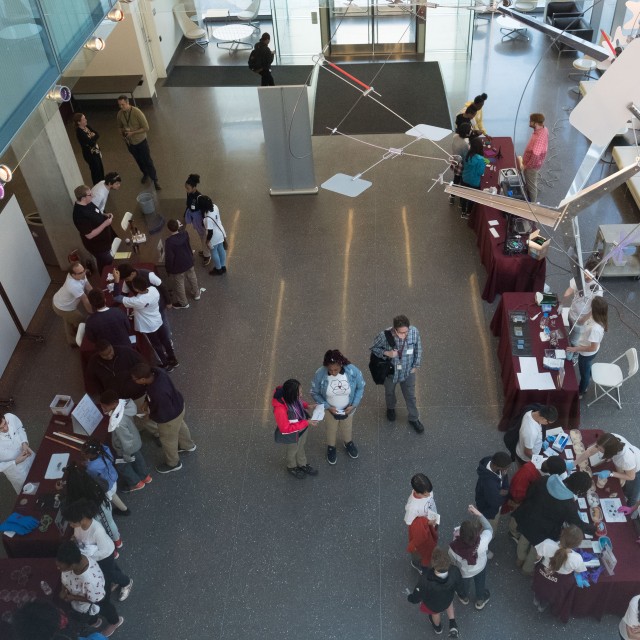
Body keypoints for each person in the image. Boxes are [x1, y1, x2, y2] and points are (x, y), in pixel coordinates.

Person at [512, 471, 595, 575]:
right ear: (578, 490)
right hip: (543, 533)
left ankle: (519, 560)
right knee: (535, 551)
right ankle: (527, 569)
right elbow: (578, 524)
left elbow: (529, 493)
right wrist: (594, 529)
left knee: (523, 541)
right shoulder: (569, 505)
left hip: (527, 519)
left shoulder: (546, 480)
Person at [130, 362, 196, 474]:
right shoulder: (157, 372)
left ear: (142, 380)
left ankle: (173, 463)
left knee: (168, 440)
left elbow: (162, 414)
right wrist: (147, 401)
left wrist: (149, 416)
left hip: (169, 417)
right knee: (180, 426)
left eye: (135, 379)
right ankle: (188, 445)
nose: (134, 381)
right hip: (178, 405)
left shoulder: (157, 392)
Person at [62, 499, 133, 602]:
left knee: (109, 573)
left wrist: (87, 556)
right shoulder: (79, 526)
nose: (71, 525)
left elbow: (103, 551)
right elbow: (79, 536)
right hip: (94, 556)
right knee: (113, 569)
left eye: (72, 523)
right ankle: (118, 579)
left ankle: (126, 582)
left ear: (82, 519)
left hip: (104, 556)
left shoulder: (96, 530)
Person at [87, 340, 159, 440]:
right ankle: (136, 431)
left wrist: (145, 384)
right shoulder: (94, 363)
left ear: (111, 346)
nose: (109, 356)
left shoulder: (126, 352)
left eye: (110, 352)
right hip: (118, 400)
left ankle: (156, 433)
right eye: (105, 355)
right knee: (127, 418)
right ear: (99, 354)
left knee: (144, 416)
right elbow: (95, 382)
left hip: (138, 394)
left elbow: (143, 365)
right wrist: (104, 396)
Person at [55, 540, 124, 636]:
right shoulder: (75, 557)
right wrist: (63, 589)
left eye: (61, 567)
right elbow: (65, 575)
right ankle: (95, 620)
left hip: (97, 596)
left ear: (72, 565)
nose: (58, 569)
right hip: (83, 600)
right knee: (89, 614)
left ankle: (115, 621)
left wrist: (73, 597)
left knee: (105, 607)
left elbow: (97, 599)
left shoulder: (90, 580)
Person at [113, 271, 178, 371]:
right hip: (157, 320)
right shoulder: (153, 290)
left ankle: (165, 364)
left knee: (156, 345)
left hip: (148, 326)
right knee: (165, 340)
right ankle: (173, 359)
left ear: (136, 289)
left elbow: (117, 297)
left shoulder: (137, 301)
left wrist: (116, 281)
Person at [310, 349, 365, 465]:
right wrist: (327, 407)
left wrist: (354, 404)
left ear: (341, 364)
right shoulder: (320, 373)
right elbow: (314, 392)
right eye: (330, 370)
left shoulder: (352, 370)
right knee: (331, 429)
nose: (333, 372)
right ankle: (331, 446)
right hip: (331, 411)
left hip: (348, 409)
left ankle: (348, 442)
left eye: (336, 369)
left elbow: (361, 387)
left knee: (347, 427)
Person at [370, 315, 424, 433]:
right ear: (394, 330)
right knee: (389, 392)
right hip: (391, 372)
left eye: (406, 332)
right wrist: (387, 353)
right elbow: (374, 348)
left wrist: (415, 366)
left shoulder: (414, 332)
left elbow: (418, 349)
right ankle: (390, 408)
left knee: (410, 395)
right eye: (401, 333)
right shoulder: (384, 336)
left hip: (408, 371)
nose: (404, 335)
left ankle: (414, 418)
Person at [502, 456, 566, 542]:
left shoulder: (536, 469)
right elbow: (516, 493)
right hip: (520, 503)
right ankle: (513, 533)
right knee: (517, 518)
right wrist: (520, 505)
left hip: (527, 502)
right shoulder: (527, 473)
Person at [99, 390, 151, 492]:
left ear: (114, 404)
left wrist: (126, 455)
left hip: (127, 448)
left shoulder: (118, 423)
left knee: (122, 466)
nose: (103, 409)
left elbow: (125, 441)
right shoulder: (125, 406)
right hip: (135, 441)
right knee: (138, 458)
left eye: (105, 407)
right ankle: (145, 476)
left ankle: (135, 483)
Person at [532, 525, 586, 621]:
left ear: (562, 534)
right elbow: (578, 571)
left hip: (543, 573)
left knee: (539, 586)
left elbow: (537, 557)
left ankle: (536, 599)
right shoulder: (577, 558)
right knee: (552, 593)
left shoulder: (547, 543)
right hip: (560, 581)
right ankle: (543, 606)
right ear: (577, 545)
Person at [63, 461, 124, 545]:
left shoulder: (76, 493)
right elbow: (105, 485)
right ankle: (117, 541)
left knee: (106, 526)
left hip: (97, 511)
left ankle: (116, 542)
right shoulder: (91, 479)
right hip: (102, 506)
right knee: (109, 523)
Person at [407, 546, 462, 638]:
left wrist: (411, 598)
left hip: (433, 604)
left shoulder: (426, 579)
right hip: (448, 597)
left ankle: (438, 628)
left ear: (433, 564)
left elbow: (417, 596)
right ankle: (452, 623)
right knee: (449, 603)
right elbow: (460, 585)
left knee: (435, 613)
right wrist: (462, 593)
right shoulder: (454, 570)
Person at [575, 432, 640, 506]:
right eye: (598, 447)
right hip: (624, 463)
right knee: (621, 482)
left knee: (632, 493)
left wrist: (611, 473)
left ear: (609, 452)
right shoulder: (609, 440)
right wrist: (574, 463)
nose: (598, 450)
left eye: (600, 450)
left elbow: (631, 477)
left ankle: (629, 507)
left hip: (637, 469)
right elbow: (590, 451)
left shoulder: (626, 459)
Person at [272, 379, 319, 479]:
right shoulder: (280, 409)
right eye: (299, 393)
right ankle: (291, 466)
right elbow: (285, 429)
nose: (301, 395)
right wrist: (306, 422)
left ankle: (302, 464)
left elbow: (299, 402)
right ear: (291, 395)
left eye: (301, 391)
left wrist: (308, 406)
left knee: (301, 447)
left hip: (302, 428)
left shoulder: (292, 397)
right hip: (292, 434)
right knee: (293, 450)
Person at [448, 505, 492, 610]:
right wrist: (479, 515)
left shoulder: (454, 548)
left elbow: (453, 562)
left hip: (465, 571)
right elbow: (489, 528)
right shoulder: (482, 541)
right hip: (480, 567)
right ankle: (480, 600)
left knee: (464, 584)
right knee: (480, 582)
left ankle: (464, 597)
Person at [566, 296, 608, 398]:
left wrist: (576, 349)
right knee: (586, 368)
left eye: (591, 306)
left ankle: (581, 391)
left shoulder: (596, 329)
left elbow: (592, 347)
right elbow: (581, 321)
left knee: (583, 373)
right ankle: (588, 375)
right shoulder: (595, 316)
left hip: (586, 353)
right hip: (584, 348)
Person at [116, 95, 160, 190]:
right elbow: (119, 127)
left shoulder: (137, 112)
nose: (121, 107)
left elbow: (146, 128)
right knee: (138, 160)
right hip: (130, 143)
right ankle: (145, 173)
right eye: (119, 105)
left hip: (141, 141)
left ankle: (155, 179)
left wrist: (133, 133)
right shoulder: (120, 114)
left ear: (128, 103)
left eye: (123, 105)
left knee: (147, 160)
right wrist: (122, 134)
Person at [72, 185, 117, 275]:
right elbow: (89, 235)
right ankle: (105, 277)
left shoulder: (88, 203)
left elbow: (96, 212)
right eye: (90, 194)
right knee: (106, 262)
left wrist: (104, 215)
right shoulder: (79, 215)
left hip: (105, 241)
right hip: (97, 246)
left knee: (106, 262)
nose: (92, 195)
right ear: (83, 197)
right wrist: (105, 224)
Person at [560, 256, 603, 346]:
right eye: (586, 273)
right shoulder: (579, 279)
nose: (587, 276)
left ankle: (574, 354)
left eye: (591, 274)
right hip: (572, 313)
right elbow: (569, 290)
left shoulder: (597, 289)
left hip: (581, 319)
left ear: (596, 273)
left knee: (575, 341)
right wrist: (561, 303)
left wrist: (583, 320)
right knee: (571, 331)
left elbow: (594, 309)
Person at [81, 438, 129, 519]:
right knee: (114, 494)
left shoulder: (91, 467)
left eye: (85, 453)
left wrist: (87, 464)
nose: (83, 454)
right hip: (113, 476)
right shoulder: (105, 450)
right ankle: (124, 509)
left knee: (111, 497)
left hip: (107, 485)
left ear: (92, 455)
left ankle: (123, 510)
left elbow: (92, 476)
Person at [52, 262, 93, 346]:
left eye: (84, 270)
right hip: (63, 307)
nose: (84, 273)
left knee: (68, 320)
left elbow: (88, 286)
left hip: (59, 301)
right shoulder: (73, 285)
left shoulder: (80, 275)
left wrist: (96, 295)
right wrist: (93, 312)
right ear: (73, 275)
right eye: (81, 272)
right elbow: (85, 299)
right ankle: (78, 341)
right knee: (82, 320)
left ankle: (71, 340)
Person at [404, 473, 439, 572]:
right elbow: (410, 523)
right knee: (419, 550)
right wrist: (427, 523)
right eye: (425, 494)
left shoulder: (426, 490)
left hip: (432, 520)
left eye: (429, 492)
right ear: (416, 491)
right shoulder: (412, 508)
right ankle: (416, 563)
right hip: (424, 528)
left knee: (429, 545)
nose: (429, 495)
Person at [164, 219, 202, 309]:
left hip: (178, 267)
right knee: (192, 277)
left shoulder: (169, 241)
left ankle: (183, 303)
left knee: (180, 284)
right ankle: (196, 294)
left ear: (169, 229)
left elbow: (169, 257)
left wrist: (168, 269)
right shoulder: (185, 234)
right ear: (178, 226)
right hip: (188, 261)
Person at [475, 451, 511, 540]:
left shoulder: (489, 461)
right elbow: (496, 502)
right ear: (496, 466)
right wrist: (505, 490)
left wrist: (499, 491)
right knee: (489, 526)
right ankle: (485, 539)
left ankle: (476, 531)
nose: (506, 470)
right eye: (505, 468)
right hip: (489, 508)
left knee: (480, 518)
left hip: (482, 501)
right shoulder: (490, 484)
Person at [0, 412, 35, 493]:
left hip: (30, 457)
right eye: (1, 428)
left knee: (42, 474)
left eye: (5, 423)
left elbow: (19, 428)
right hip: (17, 472)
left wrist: (24, 443)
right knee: (30, 492)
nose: (6, 428)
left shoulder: (10, 417)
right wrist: (15, 462)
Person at [519, 112, 548, 203]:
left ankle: (532, 206)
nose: (529, 122)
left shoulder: (539, 138)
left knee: (532, 186)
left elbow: (535, 155)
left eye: (530, 121)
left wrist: (526, 166)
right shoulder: (544, 129)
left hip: (531, 167)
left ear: (535, 123)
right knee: (529, 182)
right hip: (531, 164)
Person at [184, 174, 210, 266]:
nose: (186, 190)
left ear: (194, 187)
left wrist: (204, 223)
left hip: (200, 220)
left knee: (204, 237)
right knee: (201, 236)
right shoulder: (189, 193)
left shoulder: (200, 197)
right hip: (195, 219)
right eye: (186, 188)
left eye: (188, 188)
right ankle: (204, 251)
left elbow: (204, 211)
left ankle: (207, 255)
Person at [199, 195, 228, 276]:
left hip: (213, 238)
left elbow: (210, 232)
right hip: (221, 232)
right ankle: (223, 266)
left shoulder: (207, 218)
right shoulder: (215, 206)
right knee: (221, 249)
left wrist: (207, 242)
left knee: (214, 252)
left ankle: (218, 269)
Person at [73, 112, 104, 186]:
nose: (86, 120)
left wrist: (92, 137)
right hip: (90, 155)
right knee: (95, 171)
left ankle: (103, 185)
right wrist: (93, 137)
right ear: (79, 122)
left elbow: (97, 134)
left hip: (96, 152)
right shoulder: (79, 132)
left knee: (100, 169)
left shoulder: (87, 127)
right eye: (83, 119)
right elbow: (91, 143)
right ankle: (97, 186)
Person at [460, 136, 486, 218]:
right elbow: (480, 172)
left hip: (464, 179)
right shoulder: (481, 159)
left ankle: (463, 211)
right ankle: (469, 212)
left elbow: (464, 165)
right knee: (472, 197)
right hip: (474, 182)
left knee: (464, 195)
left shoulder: (467, 155)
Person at [449, 121, 471, 206]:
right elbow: (465, 157)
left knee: (455, 179)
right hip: (461, 165)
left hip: (454, 160)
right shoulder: (464, 144)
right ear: (466, 133)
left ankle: (452, 196)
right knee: (461, 181)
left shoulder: (455, 136)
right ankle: (460, 199)